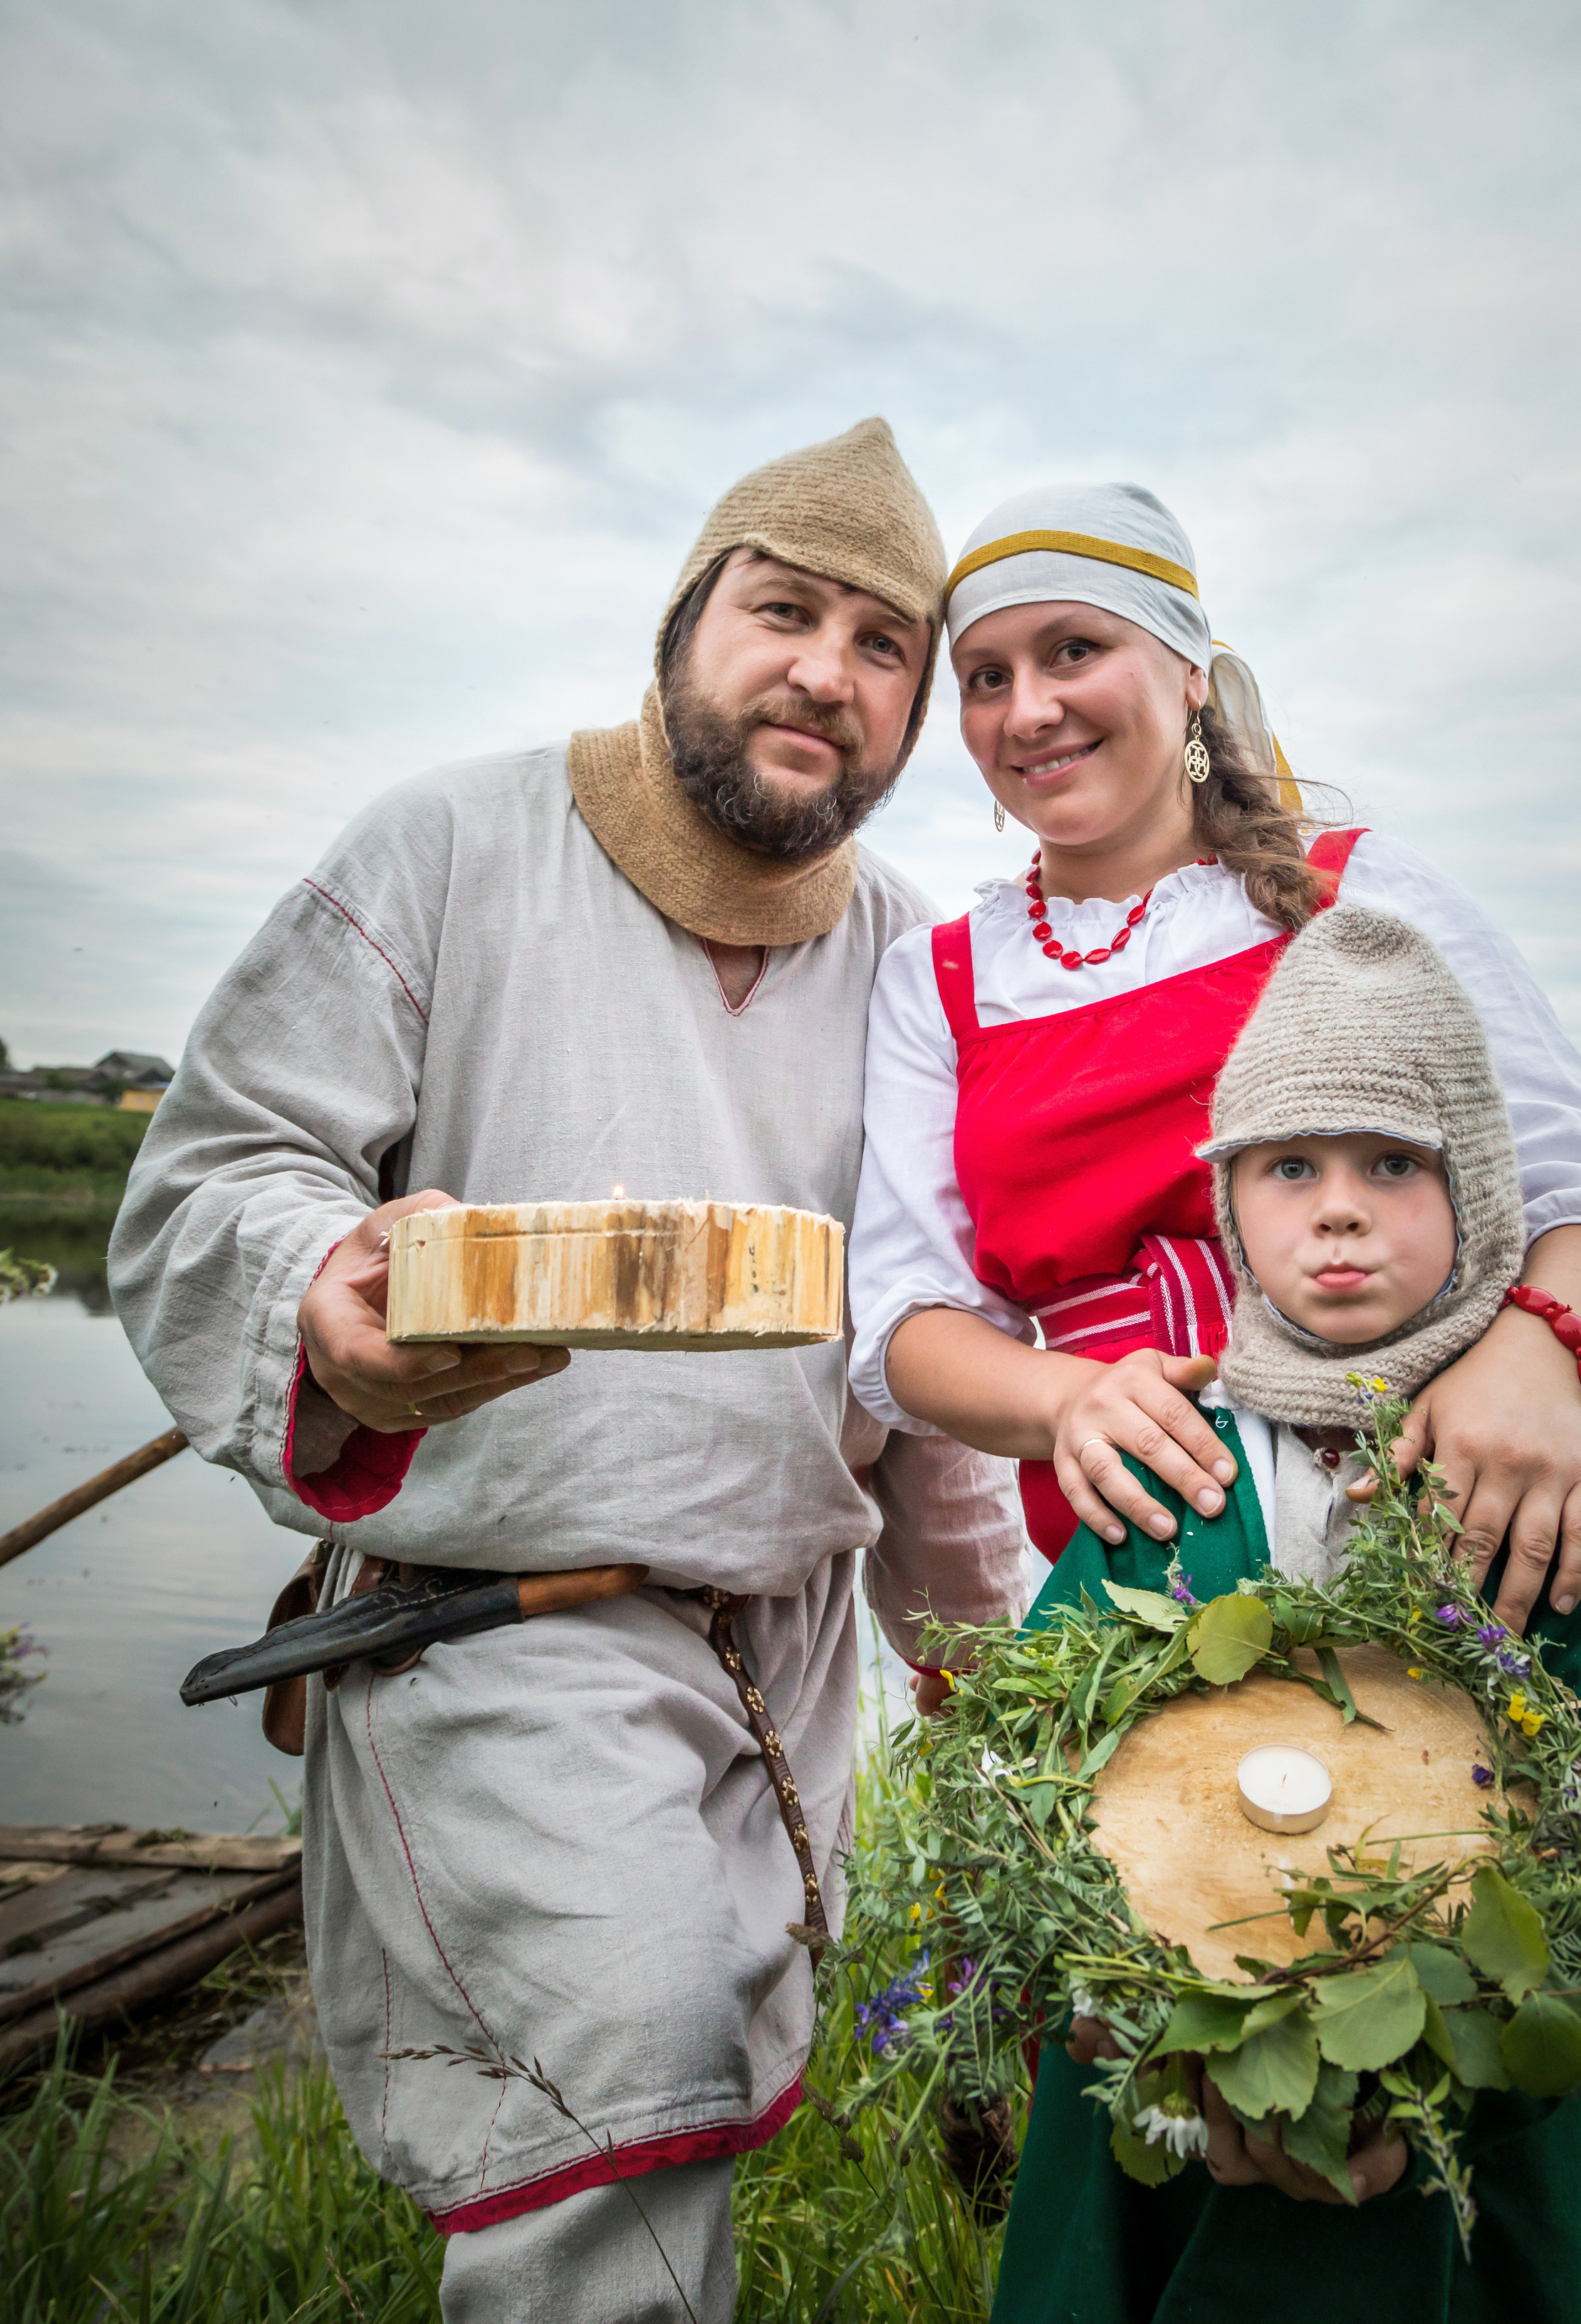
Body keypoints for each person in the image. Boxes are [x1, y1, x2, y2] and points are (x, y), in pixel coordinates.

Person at [109, 418, 1027, 2324]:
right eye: (783, 613)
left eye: (883, 645)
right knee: (633, 2063)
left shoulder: (914, 960)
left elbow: (927, 1343)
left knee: (687, 2114)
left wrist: (986, 1667)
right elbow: (217, 1173)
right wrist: (331, 1300)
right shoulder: (452, 845)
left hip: (780, 1652)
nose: (826, 672)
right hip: (490, 1623)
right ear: (684, 621)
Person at [843, 480, 1581, 2321]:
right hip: (1170, 1546)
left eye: (1073, 651)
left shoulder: (1355, 888)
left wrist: (1534, 1353)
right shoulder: (944, 974)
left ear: (1186, 670)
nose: (1027, 708)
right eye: (985, 676)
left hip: (1453, 1506)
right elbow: (898, 1320)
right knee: (1178, 2029)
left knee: (1482, 2022)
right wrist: (1068, 1402)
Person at [1003, 901, 1581, 2324]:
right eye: (1289, 1166)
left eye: (1394, 1162)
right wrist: (1161, 2036)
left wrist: (1444, 2070)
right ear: (1227, 1203)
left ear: (1478, 1190)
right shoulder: (1161, 1483)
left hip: (1459, 2163)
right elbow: (1033, 1783)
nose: (1337, 1207)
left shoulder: (1547, 1504)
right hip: (1173, 2137)